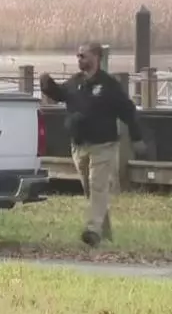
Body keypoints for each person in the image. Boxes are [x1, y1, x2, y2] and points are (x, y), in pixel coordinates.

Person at [39, 42, 146, 247]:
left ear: (96, 57)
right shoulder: (76, 82)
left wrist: (137, 137)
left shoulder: (109, 85)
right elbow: (61, 94)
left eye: (83, 56)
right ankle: (105, 235)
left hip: (104, 145)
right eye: (78, 56)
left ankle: (92, 230)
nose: (79, 59)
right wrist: (47, 84)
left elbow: (128, 111)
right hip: (79, 146)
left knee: (98, 186)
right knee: (91, 190)